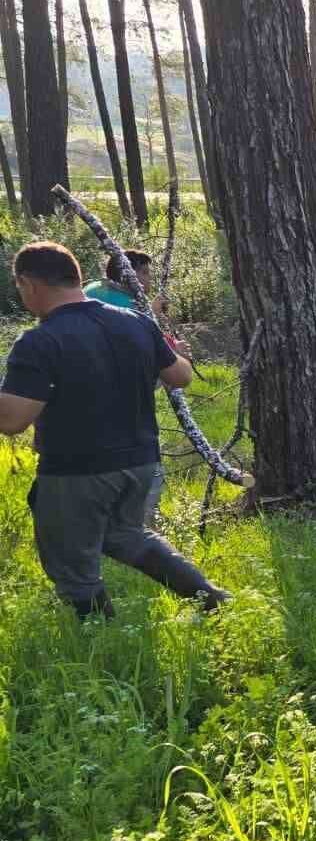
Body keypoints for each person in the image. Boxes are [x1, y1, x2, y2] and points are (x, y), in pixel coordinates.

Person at [0, 242, 229, 618]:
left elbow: (12, 421)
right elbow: (181, 376)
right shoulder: (135, 321)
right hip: (141, 462)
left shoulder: (40, 341)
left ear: (28, 283)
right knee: (125, 535)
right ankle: (212, 599)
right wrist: (178, 352)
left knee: (73, 566)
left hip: (77, 471)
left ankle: (98, 640)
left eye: (20, 288)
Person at [84, 248, 189, 525]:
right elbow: (138, 348)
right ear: (129, 274)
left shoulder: (92, 291)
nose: (149, 280)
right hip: (123, 409)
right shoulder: (122, 305)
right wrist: (175, 354)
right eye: (144, 273)